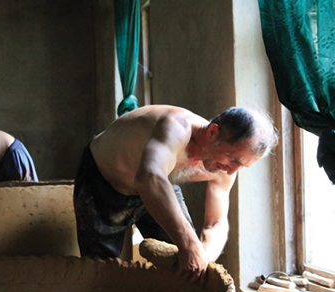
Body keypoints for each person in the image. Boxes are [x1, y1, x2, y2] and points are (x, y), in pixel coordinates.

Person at [73, 104, 278, 282]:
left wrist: (203, 257)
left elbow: (216, 223)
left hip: (158, 183)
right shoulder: (177, 127)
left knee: (184, 264)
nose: (232, 171)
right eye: (233, 158)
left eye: (242, 165)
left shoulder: (225, 169)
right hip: (104, 179)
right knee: (100, 273)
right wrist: (189, 244)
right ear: (213, 133)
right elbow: (149, 177)